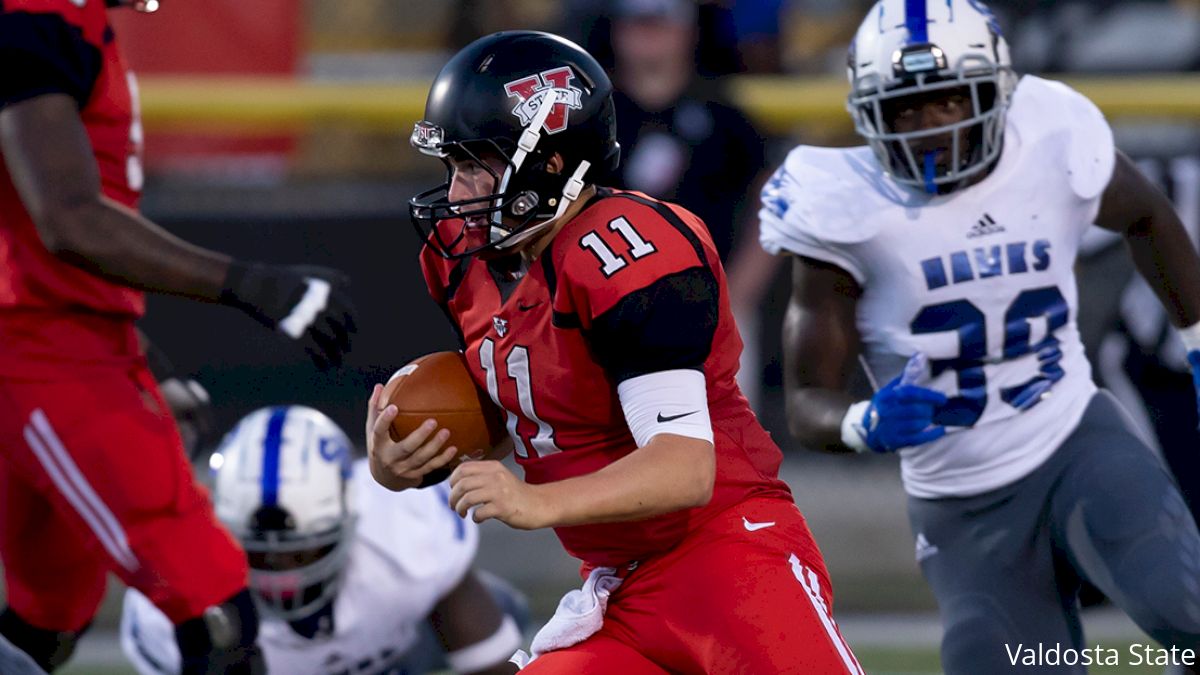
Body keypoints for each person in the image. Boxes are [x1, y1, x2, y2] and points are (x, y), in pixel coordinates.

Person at [368, 30, 863, 674]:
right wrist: (402, 462)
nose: (456, 193)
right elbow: (532, 418)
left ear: (548, 164)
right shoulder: (462, 262)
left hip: (726, 557)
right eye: (450, 168)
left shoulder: (625, 253)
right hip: (622, 589)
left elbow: (684, 468)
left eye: (471, 166)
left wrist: (535, 501)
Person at [760, 1, 1200, 673]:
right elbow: (807, 398)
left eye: (945, 101)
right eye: (904, 109)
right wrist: (862, 421)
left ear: (994, 91)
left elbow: (1148, 215)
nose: (928, 127)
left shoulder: (1050, 139)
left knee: (1186, 608)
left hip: (1077, 443)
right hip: (962, 507)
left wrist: (1196, 337)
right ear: (869, 113)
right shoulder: (842, 212)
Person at [0, 0, 357, 671]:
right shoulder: (35, 18)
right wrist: (256, 286)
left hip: (62, 337)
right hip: (41, 350)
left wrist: (140, 353)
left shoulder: (67, 22)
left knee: (47, 615)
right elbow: (67, 219)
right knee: (215, 606)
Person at [120, 405, 524, 675]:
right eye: (261, 553)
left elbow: (492, 662)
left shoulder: (403, 537)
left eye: (300, 550)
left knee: (504, 607)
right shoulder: (168, 601)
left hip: (394, 656)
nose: (283, 572)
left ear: (351, 517)